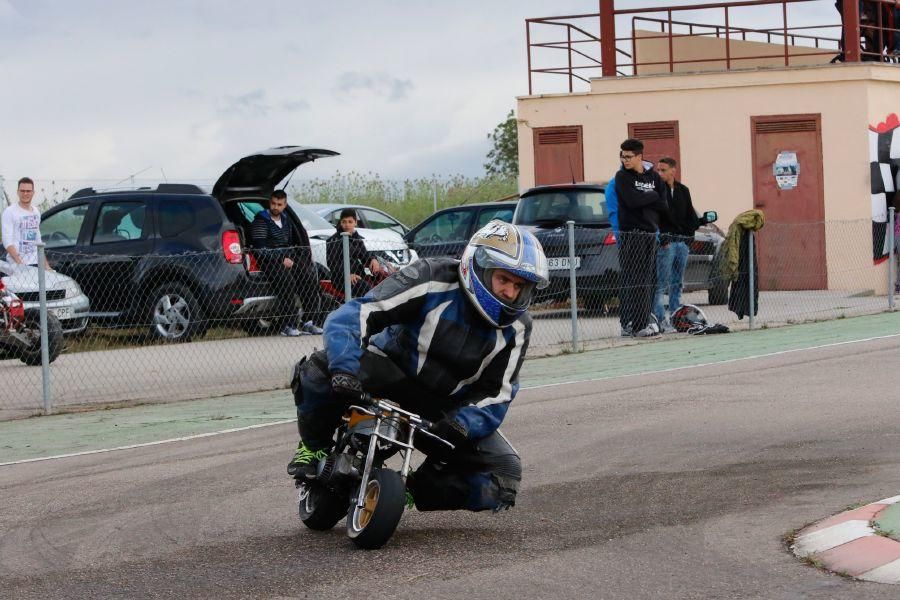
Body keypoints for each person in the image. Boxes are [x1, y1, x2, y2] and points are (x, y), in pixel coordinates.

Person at [286, 220, 549, 512]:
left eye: (519, 285)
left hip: (443, 407)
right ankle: (313, 446)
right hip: (388, 370)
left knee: (503, 477)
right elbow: (358, 312)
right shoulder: (432, 277)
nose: (511, 293)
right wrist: (345, 369)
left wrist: (463, 424)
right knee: (320, 367)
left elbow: (498, 392)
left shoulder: (519, 327)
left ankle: (408, 490)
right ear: (479, 267)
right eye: (504, 280)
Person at [604, 139, 669, 338]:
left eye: (629, 156)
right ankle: (632, 323)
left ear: (640, 156)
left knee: (648, 281)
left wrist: (647, 196)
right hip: (630, 235)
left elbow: (664, 204)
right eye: (622, 156)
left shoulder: (654, 178)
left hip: (650, 234)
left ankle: (643, 321)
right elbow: (631, 202)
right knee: (633, 281)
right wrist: (652, 196)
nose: (625, 160)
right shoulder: (621, 177)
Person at [249, 189, 322, 336]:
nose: (276, 207)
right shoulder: (261, 220)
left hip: (288, 259)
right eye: (273, 203)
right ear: (270, 202)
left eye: (279, 204)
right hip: (268, 261)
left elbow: (289, 243)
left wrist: (293, 258)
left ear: (284, 205)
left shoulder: (286, 219)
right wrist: (281, 259)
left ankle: (308, 322)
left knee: (308, 279)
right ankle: (287, 325)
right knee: (287, 283)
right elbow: (260, 248)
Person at [653, 157, 701, 332]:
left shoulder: (683, 190)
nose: (660, 173)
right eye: (658, 170)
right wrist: (662, 239)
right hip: (666, 244)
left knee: (677, 282)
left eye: (663, 170)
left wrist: (689, 237)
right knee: (661, 283)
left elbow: (690, 215)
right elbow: (654, 217)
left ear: (673, 170)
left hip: (682, 243)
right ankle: (660, 320)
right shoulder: (657, 191)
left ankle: (676, 316)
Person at [325, 208, 383, 299]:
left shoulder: (356, 238)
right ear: (340, 223)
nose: (347, 225)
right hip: (341, 279)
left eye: (350, 222)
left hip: (358, 275)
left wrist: (373, 259)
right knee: (368, 291)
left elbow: (365, 255)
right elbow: (332, 264)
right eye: (344, 222)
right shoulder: (333, 240)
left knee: (382, 283)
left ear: (355, 222)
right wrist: (348, 274)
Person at [2, 177, 49, 270]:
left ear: (33, 192)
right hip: (17, 266)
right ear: (18, 192)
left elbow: (38, 240)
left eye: (28, 191)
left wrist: (47, 266)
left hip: (36, 263)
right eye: (22, 191)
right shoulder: (10, 211)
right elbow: (7, 241)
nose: (25, 193)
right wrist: (20, 263)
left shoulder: (36, 211)